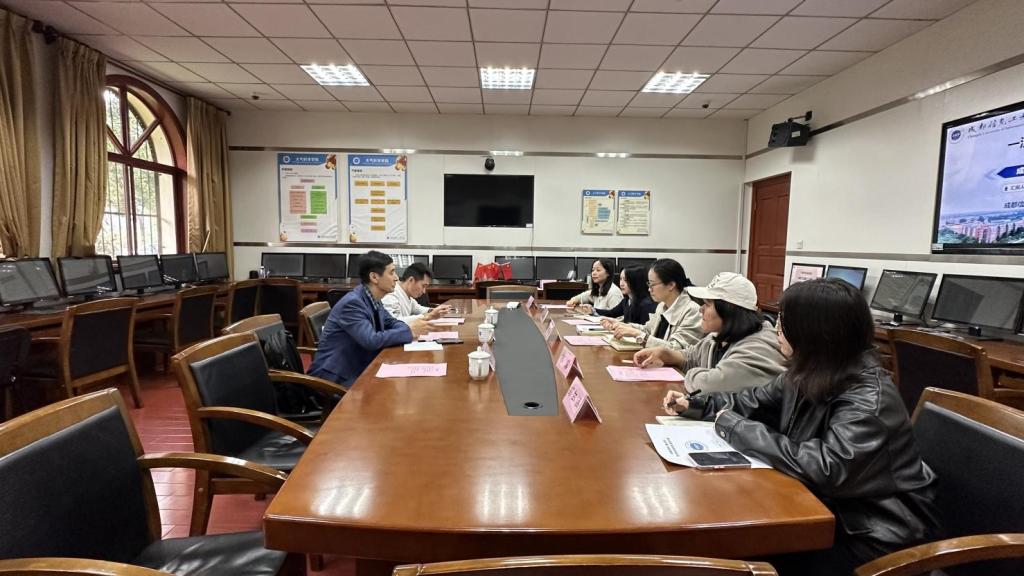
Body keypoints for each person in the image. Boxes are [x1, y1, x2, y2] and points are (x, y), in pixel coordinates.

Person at [663, 279, 940, 575]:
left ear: (815, 331)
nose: (776, 330)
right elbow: (750, 401)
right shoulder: (809, 370)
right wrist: (697, 406)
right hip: (825, 509)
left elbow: (829, 468)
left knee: (731, 553)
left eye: (784, 323)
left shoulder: (869, 399)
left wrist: (735, 428)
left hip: (870, 537)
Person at [634, 272, 785, 393]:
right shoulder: (719, 336)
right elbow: (691, 356)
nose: (701, 309)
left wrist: (692, 374)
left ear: (729, 310)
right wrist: (667, 354)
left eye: (707, 304)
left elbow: (710, 385)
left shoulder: (758, 348)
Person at [310, 251, 429, 387]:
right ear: (374, 277)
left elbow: (392, 322)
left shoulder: (374, 298)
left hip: (359, 366)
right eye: (391, 272)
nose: (396, 278)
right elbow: (371, 340)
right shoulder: (353, 303)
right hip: (335, 379)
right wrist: (409, 332)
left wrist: (407, 330)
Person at [603, 258, 702, 349]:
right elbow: (648, 330)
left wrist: (637, 334)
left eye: (652, 284)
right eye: (648, 284)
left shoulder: (692, 311)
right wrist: (623, 326)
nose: (649, 289)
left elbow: (676, 349)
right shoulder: (662, 305)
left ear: (671, 285)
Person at [381, 262, 452, 324]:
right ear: (411, 280)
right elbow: (393, 322)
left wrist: (434, 311)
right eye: (423, 286)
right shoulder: (391, 294)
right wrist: (428, 316)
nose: (424, 291)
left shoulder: (406, 295)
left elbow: (418, 308)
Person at [589, 266, 657, 324]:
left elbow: (645, 330)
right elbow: (612, 313)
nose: (621, 284)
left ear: (636, 281)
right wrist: (592, 310)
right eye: (621, 279)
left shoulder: (646, 305)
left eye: (625, 280)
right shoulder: (627, 300)